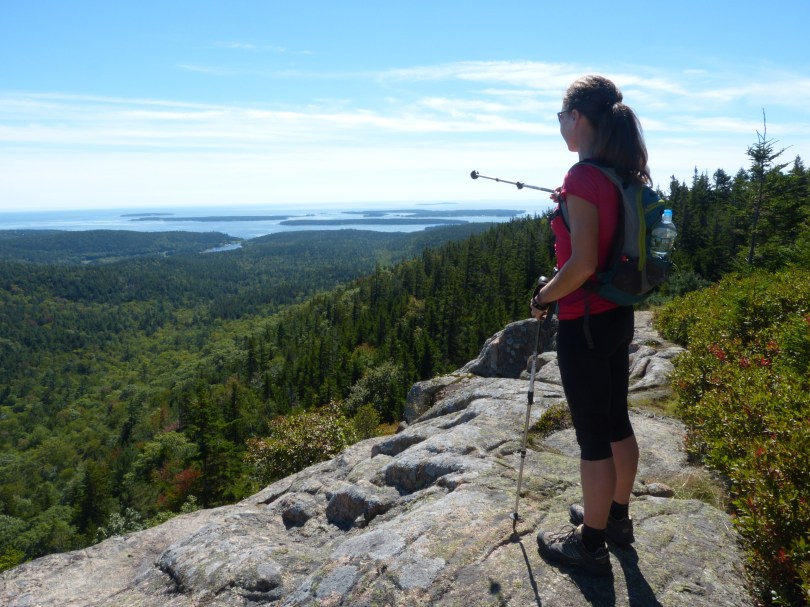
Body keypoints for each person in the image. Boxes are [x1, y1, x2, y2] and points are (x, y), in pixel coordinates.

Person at [530, 75, 649, 576]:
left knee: (592, 438)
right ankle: (616, 518)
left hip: (585, 322)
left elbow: (580, 265)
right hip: (619, 313)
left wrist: (543, 298)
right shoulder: (622, 174)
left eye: (562, 116)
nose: (560, 125)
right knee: (616, 419)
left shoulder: (583, 177)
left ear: (577, 118)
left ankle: (591, 545)